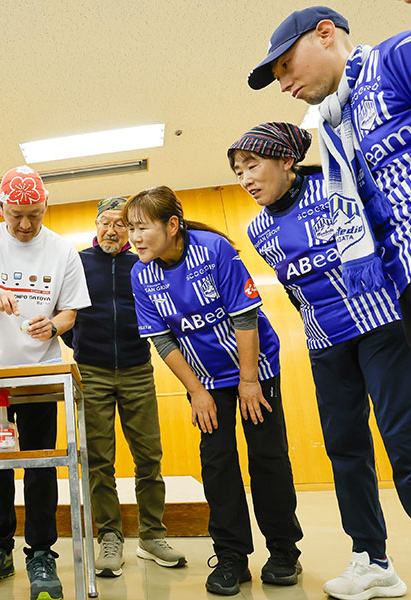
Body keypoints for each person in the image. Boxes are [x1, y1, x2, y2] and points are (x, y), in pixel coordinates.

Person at [249, 5, 411, 527]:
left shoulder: (406, 53)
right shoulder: (340, 127)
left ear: (326, 35)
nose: (283, 84)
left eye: (285, 65)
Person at [230, 121, 411, 600]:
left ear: (286, 160)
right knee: (345, 451)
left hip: (383, 329)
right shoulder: (258, 228)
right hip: (327, 346)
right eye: (238, 172)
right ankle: (372, 559)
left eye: (252, 166)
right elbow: (299, 294)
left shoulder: (339, 185)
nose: (246, 179)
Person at [124, 186, 302, 596]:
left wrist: (250, 381)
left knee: (267, 457)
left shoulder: (214, 249)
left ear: (171, 225)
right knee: (218, 464)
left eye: (141, 227)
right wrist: (198, 393)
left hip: (253, 368)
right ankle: (231, 558)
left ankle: (283, 552)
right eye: (130, 229)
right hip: (203, 380)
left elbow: (245, 318)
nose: (133, 237)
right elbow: (163, 342)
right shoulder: (140, 273)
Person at [0, 165, 91, 600]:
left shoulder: (64, 252)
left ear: (46, 205)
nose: (26, 224)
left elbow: (70, 312)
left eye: (34, 213)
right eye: (16, 215)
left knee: (40, 465)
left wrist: (53, 326)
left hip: (41, 376)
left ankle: (41, 552)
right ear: (0, 210)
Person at [60, 196, 185, 578]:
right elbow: (64, 315)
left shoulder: (143, 262)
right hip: (91, 373)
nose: (112, 230)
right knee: (99, 461)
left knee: (149, 457)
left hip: (137, 370)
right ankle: (110, 537)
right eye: (105, 222)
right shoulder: (77, 264)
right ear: (95, 226)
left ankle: (152, 536)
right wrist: (82, 346)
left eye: (120, 224)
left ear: (131, 229)